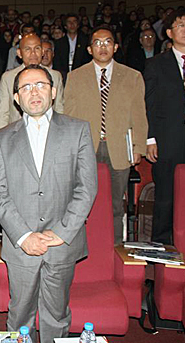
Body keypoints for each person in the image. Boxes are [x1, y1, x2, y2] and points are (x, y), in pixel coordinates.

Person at [0, 64, 97, 343]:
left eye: (40, 85)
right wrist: (23, 236)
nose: (34, 92)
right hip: (21, 244)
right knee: (19, 316)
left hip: (61, 243)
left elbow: (86, 188)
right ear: (16, 98)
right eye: (26, 87)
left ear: (53, 91)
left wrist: (61, 233)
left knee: (56, 317)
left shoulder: (78, 130)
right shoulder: (3, 137)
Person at [64, 26, 148, 244]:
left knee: (115, 203)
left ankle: (114, 247)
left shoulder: (132, 77)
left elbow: (139, 114)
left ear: (116, 47)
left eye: (108, 42)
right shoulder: (75, 77)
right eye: (97, 43)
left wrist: (138, 147)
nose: (103, 47)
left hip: (119, 148)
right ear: (89, 49)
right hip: (85, 148)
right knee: (82, 202)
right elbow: (68, 116)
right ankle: (84, 247)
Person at [145, 8, 185, 244]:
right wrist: (150, 138)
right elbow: (149, 104)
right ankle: (160, 251)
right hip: (168, 139)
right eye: (181, 25)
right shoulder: (155, 65)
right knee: (166, 198)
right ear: (169, 33)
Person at [0, 34, 65, 129]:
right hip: (17, 132)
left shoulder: (55, 76)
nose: (33, 53)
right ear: (19, 53)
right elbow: (3, 113)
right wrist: (2, 136)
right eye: (27, 49)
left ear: (42, 52)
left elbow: (59, 109)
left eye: (37, 48)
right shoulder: (8, 78)